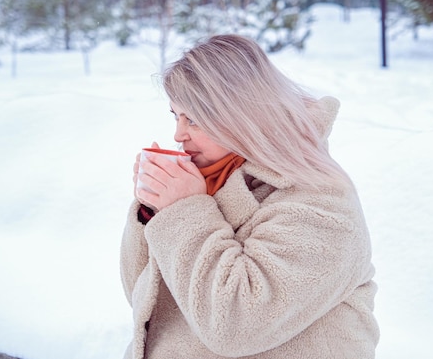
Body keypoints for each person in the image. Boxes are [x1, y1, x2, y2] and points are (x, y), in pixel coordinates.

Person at [120, 34, 379, 359]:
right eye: (176, 115)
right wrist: (153, 209)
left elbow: (235, 326)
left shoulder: (322, 201)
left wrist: (181, 209)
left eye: (194, 119)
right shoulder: (211, 178)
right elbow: (145, 300)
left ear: (241, 115)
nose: (178, 135)